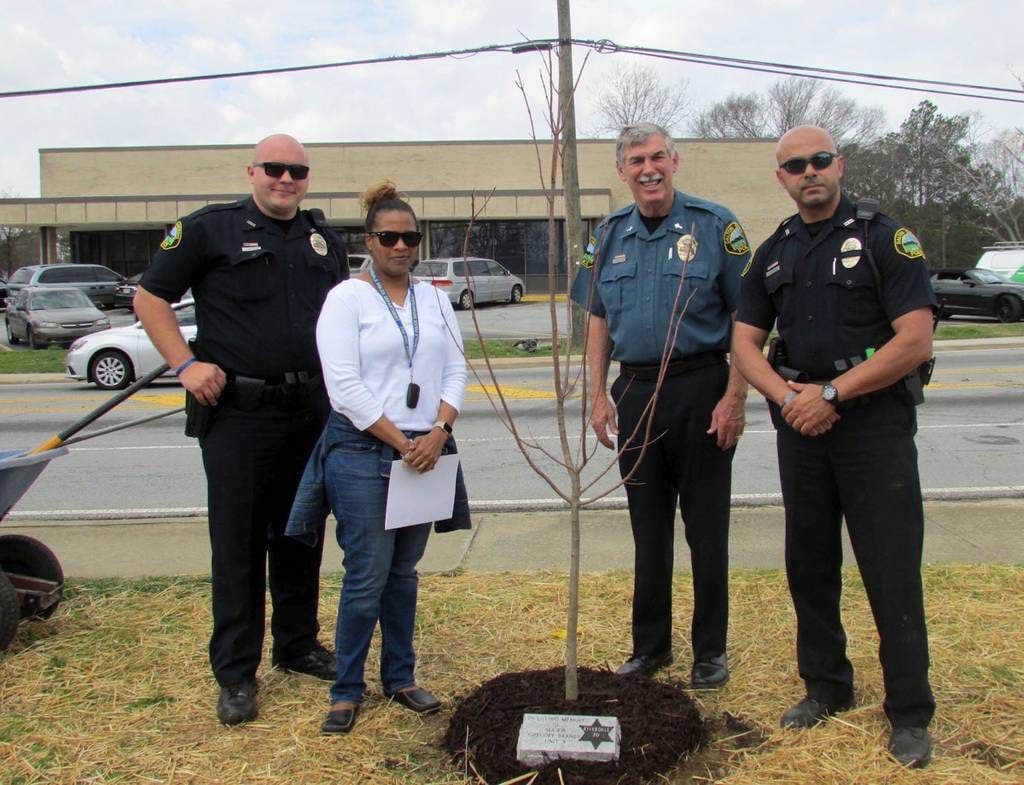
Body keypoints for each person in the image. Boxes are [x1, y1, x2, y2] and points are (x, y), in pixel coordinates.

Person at [731, 125, 937, 768]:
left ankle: (909, 711)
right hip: (802, 428)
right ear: (781, 177)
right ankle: (826, 687)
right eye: (795, 165)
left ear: (839, 165)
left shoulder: (884, 238)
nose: (809, 172)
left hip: (872, 427)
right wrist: (793, 400)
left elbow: (916, 339)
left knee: (891, 569)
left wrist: (834, 395)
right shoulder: (773, 252)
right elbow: (743, 345)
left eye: (819, 160)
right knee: (809, 564)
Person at [134, 134, 348, 725]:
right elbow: (149, 299)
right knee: (238, 545)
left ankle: (298, 644)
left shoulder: (323, 240)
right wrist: (186, 364)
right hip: (238, 414)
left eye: (298, 170)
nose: (287, 179)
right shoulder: (210, 230)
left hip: (310, 409)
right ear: (252, 170)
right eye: (275, 168)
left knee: (300, 533)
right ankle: (235, 672)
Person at [570, 123, 750, 689]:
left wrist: (735, 397)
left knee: (706, 530)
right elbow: (596, 316)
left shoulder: (715, 225)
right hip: (636, 391)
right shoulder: (607, 235)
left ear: (675, 161)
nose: (648, 169)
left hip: (701, 389)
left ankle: (710, 652)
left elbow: (748, 321)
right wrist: (597, 393)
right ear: (622, 171)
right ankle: (650, 648)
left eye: (657, 158)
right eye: (635, 161)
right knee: (647, 532)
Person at [305, 182, 469, 735]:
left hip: (427, 447)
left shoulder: (435, 299)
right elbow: (344, 387)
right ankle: (346, 689)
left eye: (410, 237)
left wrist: (439, 431)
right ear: (369, 241)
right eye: (389, 237)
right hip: (364, 452)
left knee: (404, 573)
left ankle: (400, 677)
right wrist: (404, 444)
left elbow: (455, 371)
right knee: (367, 574)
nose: (401, 246)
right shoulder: (347, 299)